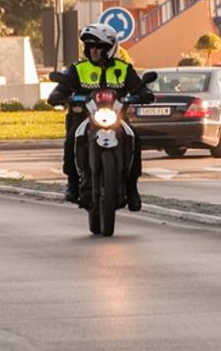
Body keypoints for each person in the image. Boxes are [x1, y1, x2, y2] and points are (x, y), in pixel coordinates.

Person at [48, 23, 154, 211]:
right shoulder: (79, 69)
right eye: (90, 46)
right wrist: (58, 95)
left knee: (134, 138)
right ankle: (72, 184)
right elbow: (63, 87)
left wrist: (144, 93)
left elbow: (138, 87)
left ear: (109, 48)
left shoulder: (123, 68)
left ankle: (132, 188)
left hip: (116, 117)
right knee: (71, 139)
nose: (94, 50)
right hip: (85, 117)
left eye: (98, 46)